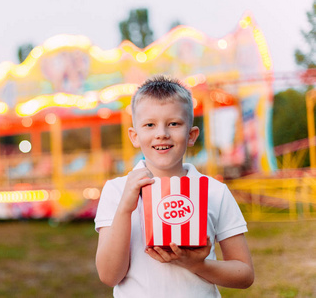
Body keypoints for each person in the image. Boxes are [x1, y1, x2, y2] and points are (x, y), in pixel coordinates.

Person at [94, 75, 254, 297]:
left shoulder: (214, 191)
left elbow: (244, 274)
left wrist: (197, 265)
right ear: (135, 136)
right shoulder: (117, 191)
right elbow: (109, 276)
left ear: (191, 135)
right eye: (149, 124)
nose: (162, 133)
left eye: (174, 123)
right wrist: (124, 208)